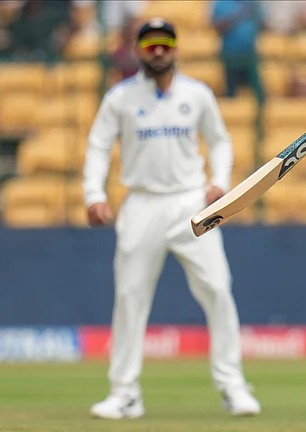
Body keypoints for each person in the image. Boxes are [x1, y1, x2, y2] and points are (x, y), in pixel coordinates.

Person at [82, 18, 260, 420]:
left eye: (165, 44)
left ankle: (233, 386)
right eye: (150, 45)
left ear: (176, 48)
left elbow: (219, 143)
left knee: (217, 290)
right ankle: (124, 393)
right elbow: (97, 147)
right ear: (139, 51)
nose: (158, 51)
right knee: (130, 297)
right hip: (141, 203)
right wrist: (94, 194)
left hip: (190, 204)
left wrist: (219, 183)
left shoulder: (196, 94)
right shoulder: (120, 97)